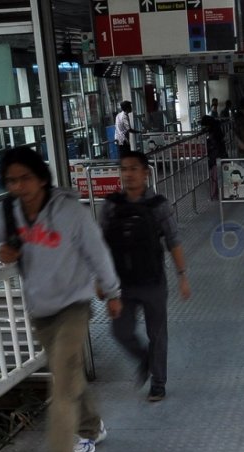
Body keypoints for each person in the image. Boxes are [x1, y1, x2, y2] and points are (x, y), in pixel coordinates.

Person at [0, 146, 122, 452]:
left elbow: (97, 251)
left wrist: (112, 292)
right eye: (11, 180)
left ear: (41, 177)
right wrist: (2, 252)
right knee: (71, 374)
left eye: (25, 178)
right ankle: (93, 426)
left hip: (73, 306)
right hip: (40, 309)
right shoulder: (6, 210)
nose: (19, 186)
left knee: (61, 386)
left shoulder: (69, 211)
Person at [100, 150, 191, 403]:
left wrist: (182, 275)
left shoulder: (158, 205)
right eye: (124, 169)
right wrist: (100, 281)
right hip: (121, 285)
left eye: (133, 169)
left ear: (145, 172)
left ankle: (158, 383)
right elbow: (100, 246)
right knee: (120, 331)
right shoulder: (111, 206)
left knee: (157, 334)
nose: (128, 174)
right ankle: (143, 358)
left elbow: (174, 240)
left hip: (153, 282)